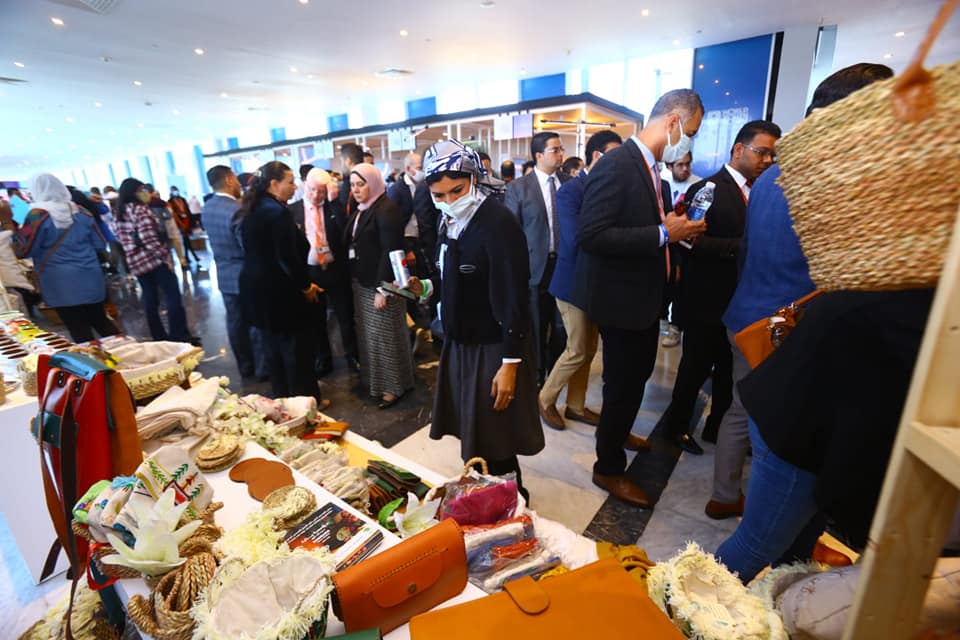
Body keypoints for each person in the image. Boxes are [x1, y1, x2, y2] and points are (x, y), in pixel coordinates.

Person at [708, 63, 895, 522]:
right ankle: (764, 524)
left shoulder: (770, 177)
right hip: (786, 323)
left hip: (747, 314)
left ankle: (724, 495)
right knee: (777, 423)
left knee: (740, 407)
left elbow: (749, 251)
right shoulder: (835, 180)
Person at [715, 288, 933, 583]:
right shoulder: (915, 312)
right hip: (799, 429)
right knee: (754, 546)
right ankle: (676, 607)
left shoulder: (899, 294)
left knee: (796, 551)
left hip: (811, 421)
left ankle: (777, 597)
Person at [573, 88, 706, 508]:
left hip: (645, 298)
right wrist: (665, 233)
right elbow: (592, 235)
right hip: (622, 301)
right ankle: (608, 466)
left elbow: (637, 226)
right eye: (691, 132)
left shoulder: (651, 168)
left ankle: (617, 432)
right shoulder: (618, 164)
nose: (691, 142)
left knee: (633, 381)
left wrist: (670, 228)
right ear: (673, 122)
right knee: (622, 384)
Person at [405, 140, 543, 502]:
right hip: (461, 342)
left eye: (457, 190)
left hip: (493, 346)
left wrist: (510, 363)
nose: (449, 200)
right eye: (439, 194)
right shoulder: (447, 220)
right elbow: (452, 275)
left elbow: (514, 298)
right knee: (476, 432)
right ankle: (488, 495)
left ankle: (513, 499)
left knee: (497, 436)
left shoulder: (498, 223)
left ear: (474, 178)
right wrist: (426, 286)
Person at [662, 120, 782, 457]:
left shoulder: (763, 190)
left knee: (729, 372)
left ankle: (718, 426)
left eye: (772, 155)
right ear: (739, 149)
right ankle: (675, 428)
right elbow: (689, 241)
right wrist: (741, 246)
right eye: (762, 152)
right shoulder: (709, 189)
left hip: (741, 302)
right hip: (706, 300)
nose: (767, 161)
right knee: (695, 368)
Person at [538, 130, 623, 431]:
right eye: (615, 155)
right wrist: (612, 239)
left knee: (588, 349)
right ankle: (545, 399)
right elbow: (575, 239)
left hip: (598, 283)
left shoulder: (610, 189)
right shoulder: (572, 190)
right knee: (576, 348)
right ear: (598, 156)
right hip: (571, 282)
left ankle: (575, 405)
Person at [237, 161, 323, 402]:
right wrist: (306, 286)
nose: (295, 187)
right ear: (274, 184)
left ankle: (282, 398)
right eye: (290, 182)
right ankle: (304, 402)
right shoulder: (277, 212)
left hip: (257, 291)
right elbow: (287, 257)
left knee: (273, 350)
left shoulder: (253, 207)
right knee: (296, 351)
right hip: (280, 292)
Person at [13, 174, 118, 343]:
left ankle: (94, 358)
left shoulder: (37, 215)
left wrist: (8, 225)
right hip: (90, 274)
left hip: (59, 280)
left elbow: (23, 250)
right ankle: (126, 352)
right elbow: (99, 243)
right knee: (100, 320)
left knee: (77, 327)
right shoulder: (82, 211)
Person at [345, 162, 416, 408]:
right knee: (373, 337)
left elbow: (391, 251)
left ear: (373, 184)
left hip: (380, 285)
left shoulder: (386, 209)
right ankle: (379, 382)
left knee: (386, 337)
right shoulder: (363, 209)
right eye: (353, 185)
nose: (356, 190)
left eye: (361, 184)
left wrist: (382, 289)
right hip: (363, 283)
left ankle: (393, 387)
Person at [505, 131, 569, 386]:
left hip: (564, 266)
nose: (561, 154)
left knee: (563, 327)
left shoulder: (569, 183)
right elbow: (511, 233)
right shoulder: (519, 188)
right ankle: (537, 376)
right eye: (555, 150)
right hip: (535, 269)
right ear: (539, 155)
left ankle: (556, 375)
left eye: (561, 149)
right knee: (536, 325)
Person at [289, 168, 358, 375]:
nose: (316, 195)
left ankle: (352, 355)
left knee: (345, 315)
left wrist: (334, 202)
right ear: (305, 185)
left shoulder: (333, 207)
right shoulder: (292, 211)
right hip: (311, 272)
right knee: (316, 319)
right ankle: (323, 358)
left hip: (335, 270)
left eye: (321, 191)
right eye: (312, 190)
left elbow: (346, 233)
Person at [113, 179, 198, 344]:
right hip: (153, 260)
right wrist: (165, 257)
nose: (145, 193)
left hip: (136, 262)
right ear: (134, 192)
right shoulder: (140, 210)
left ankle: (158, 336)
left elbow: (119, 238)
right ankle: (179, 335)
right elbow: (149, 239)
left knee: (150, 299)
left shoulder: (119, 213)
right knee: (172, 295)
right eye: (141, 189)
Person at [201, 165, 262, 379]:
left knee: (235, 322)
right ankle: (262, 368)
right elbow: (248, 246)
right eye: (235, 178)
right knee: (254, 322)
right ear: (228, 180)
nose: (238, 183)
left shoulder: (207, 208)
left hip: (224, 275)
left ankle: (245, 367)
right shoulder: (236, 209)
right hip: (244, 274)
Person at [659, 150, 700, 347]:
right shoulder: (661, 184)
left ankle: (676, 327)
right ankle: (661, 319)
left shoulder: (698, 184)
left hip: (688, 245)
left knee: (682, 288)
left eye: (688, 164)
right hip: (666, 242)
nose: (685, 169)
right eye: (680, 165)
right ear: (669, 166)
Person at [144, 183, 187, 269]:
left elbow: (168, 215)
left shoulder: (152, 204)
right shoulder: (159, 203)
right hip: (166, 229)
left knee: (168, 248)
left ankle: (174, 263)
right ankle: (179, 262)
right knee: (172, 247)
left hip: (163, 229)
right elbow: (169, 215)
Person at [169, 186, 201, 267]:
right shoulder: (170, 202)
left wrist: (191, 222)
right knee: (184, 241)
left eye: (176, 190)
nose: (176, 192)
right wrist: (180, 222)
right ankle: (190, 256)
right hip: (179, 223)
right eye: (174, 191)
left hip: (187, 221)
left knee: (186, 240)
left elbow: (187, 210)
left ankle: (188, 256)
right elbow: (173, 214)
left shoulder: (182, 200)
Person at [339, 142, 364, 210]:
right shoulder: (367, 179)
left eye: (341, 161)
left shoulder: (350, 183)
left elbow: (345, 212)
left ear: (348, 161)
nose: (341, 165)